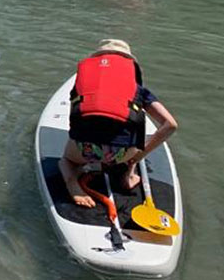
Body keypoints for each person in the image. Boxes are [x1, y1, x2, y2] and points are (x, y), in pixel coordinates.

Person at [57, 39, 178, 208]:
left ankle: (72, 182)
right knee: (136, 135)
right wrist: (139, 156)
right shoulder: (138, 90)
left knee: (66, 160)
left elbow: (75, 119)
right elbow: (170, 125)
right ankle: (128, 176)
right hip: (121, 154)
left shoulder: (83, 86)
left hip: (86, 149)